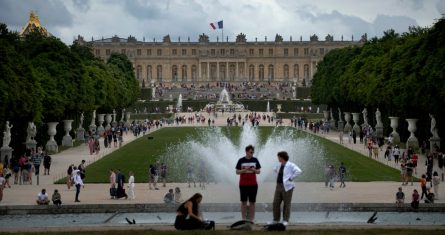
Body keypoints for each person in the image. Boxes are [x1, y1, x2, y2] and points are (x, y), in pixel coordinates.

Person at [272, 151, 302, 226]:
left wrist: (291, 178)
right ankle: (276, 219)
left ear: (282, 157)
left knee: (287, 203)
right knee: (275, 203)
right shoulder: (279, 165)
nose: (278, 158)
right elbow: (275, 169)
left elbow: (299, 171)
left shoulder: (291, 165)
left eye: (278, 157)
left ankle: (285, 220)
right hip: (278, 185)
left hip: (288, 187)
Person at [236, 145, 261, 222]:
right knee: (243, 202)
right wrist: (244, 170)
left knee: (252, 202)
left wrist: (254, 170)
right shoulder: (241, 160)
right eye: (251, 152)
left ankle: (252, 219)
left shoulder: (255, 160)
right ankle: (243, 219)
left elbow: (259, 171)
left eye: (253, 152)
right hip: (243, 184)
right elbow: (237, 172)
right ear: (246, 152)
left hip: (253, 184)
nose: (252, 153)